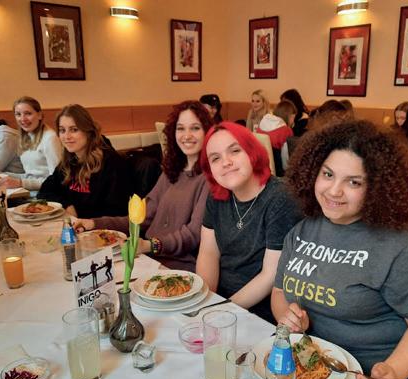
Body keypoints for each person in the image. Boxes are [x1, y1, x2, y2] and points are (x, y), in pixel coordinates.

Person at [272, 120, 408, 379]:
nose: (334, 190)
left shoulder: (406, 248)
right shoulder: (303, 230)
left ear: (378, 187)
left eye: (354, 182)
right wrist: (290, 317)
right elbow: (280, 292)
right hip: (335, 371)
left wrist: (393, 371)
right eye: (328, 174)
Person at [73, 100, 212, 272]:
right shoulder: (172, 171)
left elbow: (192, 235)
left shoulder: (209, 178)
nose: (187, 135)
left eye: (195, 128)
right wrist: (94, 223)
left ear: (207, 132)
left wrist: (150, 245)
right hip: (147, 258)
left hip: (177, 266)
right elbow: (141, 217)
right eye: (181, 128)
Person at [197, 121, 301, 323]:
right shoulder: (216, 195)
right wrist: (204, 301)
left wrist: (221, 310)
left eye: (235, 151)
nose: (226, 162)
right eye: (215, 158)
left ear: (252, 152)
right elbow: (208, 252)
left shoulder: (281, 197)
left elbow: (270, 275)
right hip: (220, 301)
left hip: (261, 312)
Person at [38, 104, 134, 218]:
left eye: (74, 130)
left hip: (98, 227)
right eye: (62, 130)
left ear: (88, 131)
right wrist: (66, 205)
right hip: (73, 224)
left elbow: (117, 211)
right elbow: (44, 191)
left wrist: (79, 215)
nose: (66, 136)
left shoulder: (112, 162)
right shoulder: (70, 160)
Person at [0, 96, 62, 192]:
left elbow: (57, 181)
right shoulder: (25, 137)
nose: (23, 119)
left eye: (28, 113)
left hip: (46, 195)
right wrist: (0, 174)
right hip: (31, 192)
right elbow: (30, 177)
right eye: (18, 114)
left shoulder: (50, 138)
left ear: (39, 115)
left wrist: (21, 183)